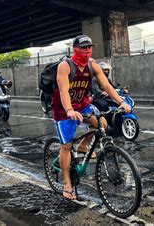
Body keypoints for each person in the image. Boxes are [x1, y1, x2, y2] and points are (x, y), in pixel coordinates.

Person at [52, 35, 131, 200]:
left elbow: (107, 86)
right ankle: (67, 184)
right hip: (63, 109)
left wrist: (121, 101)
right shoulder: (65, 66)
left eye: (89, 47)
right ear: (75, 49)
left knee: (101, 122)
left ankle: (83, 146)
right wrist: (69, 110)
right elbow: (63, 91)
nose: (87, 50)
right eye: (83, 47)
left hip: (82, 104)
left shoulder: (92, 64)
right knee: (66, 146)